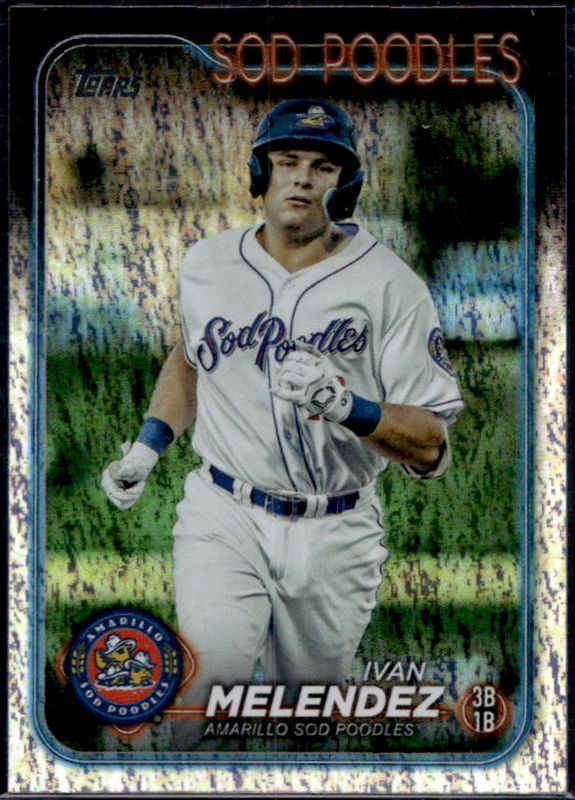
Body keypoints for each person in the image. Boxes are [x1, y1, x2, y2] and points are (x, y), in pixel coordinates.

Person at [101, 98, 464, 748]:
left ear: (345, 184)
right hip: (224, 515)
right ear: (259, 172)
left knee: (308, 728)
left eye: (323, 166)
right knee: (201, 708)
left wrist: (348, 407)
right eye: (287, 159)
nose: (301, 177)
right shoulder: (207, 264)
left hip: (336, 531)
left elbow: (431, 442)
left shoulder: (392, 285)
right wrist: (148, 446)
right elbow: (191, 356)